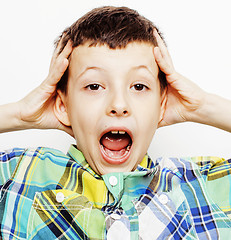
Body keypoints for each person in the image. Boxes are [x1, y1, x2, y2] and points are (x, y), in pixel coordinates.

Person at [0, 6, 231, 239]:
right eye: (94, 86)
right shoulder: (18, 174)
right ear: (63, 106)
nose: (119, 104)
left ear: (161, 106)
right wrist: (19, 114)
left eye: (139, 86)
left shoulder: (199, 185)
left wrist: (203, 106)